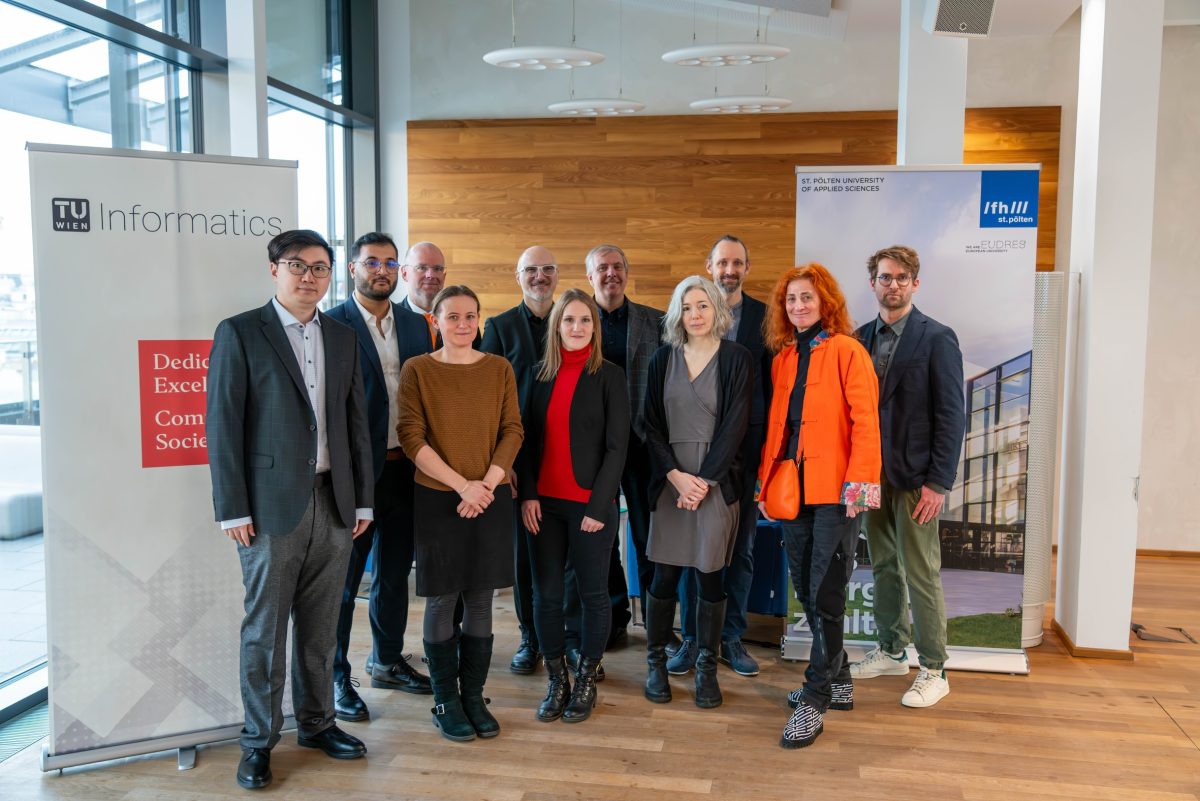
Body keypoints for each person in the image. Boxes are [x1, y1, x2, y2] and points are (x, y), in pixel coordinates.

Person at [206, 229, 374, 790]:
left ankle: (318, 723)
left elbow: (356, 426)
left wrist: (363, 498)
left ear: (332, 275)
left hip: (334, 503)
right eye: (298, 266)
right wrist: (232, 508)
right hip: (268, 509)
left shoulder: (344, 337)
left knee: (322, 627)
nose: (310, 276)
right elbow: (222, 425)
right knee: (264, 631)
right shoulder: (240, 332)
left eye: (321, 267)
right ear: (274, 269)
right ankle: (257, 742)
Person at [758, 263, 881, 749]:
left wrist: (860, 490)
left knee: (826, 595)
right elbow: (777, 431)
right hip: (793, 494)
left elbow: (867, 422)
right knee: (809, 594)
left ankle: (815, 698)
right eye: (791, 299)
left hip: (837, 495)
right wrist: (765, 488)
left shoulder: (849, 351)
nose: (798, 306)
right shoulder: (783, 358)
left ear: (825, 300)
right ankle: (842, 679)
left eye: (807, 297)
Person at [396, 285, 524, 743]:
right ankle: (446, 700)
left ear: (479, 321)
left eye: (471, 316)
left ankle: (473, 695)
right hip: (439, 498)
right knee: (443, 599)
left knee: (482, 599)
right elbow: (411, 436)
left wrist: (486, 485)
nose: (463, 324)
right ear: (435, 321)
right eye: (453, 317)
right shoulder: (418, 370)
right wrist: (461, 486)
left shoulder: (498, 369)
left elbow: (513, 430)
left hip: (489, 496)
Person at [850, 245, 965, 708]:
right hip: (871, 478)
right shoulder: (858, 338)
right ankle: (893, 650)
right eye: (884, 277)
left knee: (921, 572)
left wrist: (939, 483)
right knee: (882, 568)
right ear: (873, 283)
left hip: (918, 479)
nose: (892, 284)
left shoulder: (937, 337)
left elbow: (952, 415)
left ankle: (935, 668)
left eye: (901, 277)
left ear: (914, 283)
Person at [326, 232, 432, 726]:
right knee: (345, 585)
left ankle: (386, 661)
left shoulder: (416, 325)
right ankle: (335, 675)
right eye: (372, 262)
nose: (382, 270)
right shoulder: (331, 326)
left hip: (406, 471)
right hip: (354, 478)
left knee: (394, 576)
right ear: (353, 268)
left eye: (391, 263)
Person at [518, 288, 630, 723]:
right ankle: (556, 678)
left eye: (585, 320)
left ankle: (585, 675)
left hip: (589, 507)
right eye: (569, 320)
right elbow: (523, 441)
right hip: (542, 506)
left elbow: (617, 449)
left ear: (595, 327)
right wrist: (527, 493)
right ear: (556, 325)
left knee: (592, 595)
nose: (577, 328)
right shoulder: (536, 374)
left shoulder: (610, 376)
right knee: (545, 596)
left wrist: (599, 508)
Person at [642, 276, 752, 709]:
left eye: (703, 305)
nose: (696, 315)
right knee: (665, 576)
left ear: (717, 310)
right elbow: (649, 426)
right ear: (677, 314)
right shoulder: (660, 360)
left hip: (717, 482)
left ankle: (707, 667)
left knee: (710, 577)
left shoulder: (736, 359)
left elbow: (736, 426)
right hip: (671, 483)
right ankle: (655, 663)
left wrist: (703, 481)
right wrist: (675, 476)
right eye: (687, 307)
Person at [671, 235, 772, 679]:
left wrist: (764, 460)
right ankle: (693, 639)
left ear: (746, 268)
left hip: (745, 460)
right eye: (722, 262)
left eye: (737, 263)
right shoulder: (685, 321)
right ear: (708, 266)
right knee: (696, 553)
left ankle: (730, 636)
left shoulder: (766, 319)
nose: (729, 270)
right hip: (693, 460)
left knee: (740, 552)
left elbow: (770, 393)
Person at [481, 245, 560, 675]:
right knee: (526, 554)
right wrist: (503, 461)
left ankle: (563, 637)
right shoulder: (498, 327)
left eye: (547, 269)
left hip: (567, 456)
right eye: (531, 270)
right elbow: (488, 398)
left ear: (558, 275)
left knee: (564, 555)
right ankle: (530, 638)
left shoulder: (572, 320)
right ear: (518, 276)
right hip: (519, 459)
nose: (540, 276)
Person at [586, 244, 664, 642]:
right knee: (599, 536)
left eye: (617, 266)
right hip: (594, 451)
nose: (611, 273)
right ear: (590, 277)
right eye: (603, 268)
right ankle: (613, 619)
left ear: (627, 273)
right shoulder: (578, 321)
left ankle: (656, 623)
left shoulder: (657, 321)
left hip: (641, 446)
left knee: (647, 536)